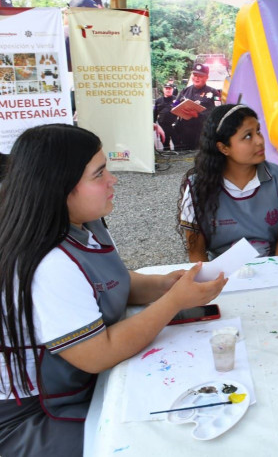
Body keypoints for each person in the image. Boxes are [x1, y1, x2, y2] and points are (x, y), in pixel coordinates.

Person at [0, 124, 227, 456]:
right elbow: (99, 354)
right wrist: (173, 302)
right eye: (99, 174)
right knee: (158, 439)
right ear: (59, 187)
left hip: (74, 386)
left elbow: (111, 281)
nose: (113, 180)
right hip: (36, 412)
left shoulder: (83, 222)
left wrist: (163, 286)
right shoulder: (50, 262)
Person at [179, 104, 278, 261]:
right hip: (219, 275)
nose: (259, 141)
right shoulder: (197, 187)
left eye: (258, 131)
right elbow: (196, 252)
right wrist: (212, 283)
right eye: (247, 136)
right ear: (224, 148)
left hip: (270, 268)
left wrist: (274, 276)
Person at [173, 63, 220, 151]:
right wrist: (177, 108)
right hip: (185, 133)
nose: (197, 78)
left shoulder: (214, 93)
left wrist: (198, 115)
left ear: (206, 77)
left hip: (203, 133)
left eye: (200, 76)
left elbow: (218, 112)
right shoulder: (184, 91)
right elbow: (175, 104)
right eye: (195, 75)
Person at [153, 80, 178, 150]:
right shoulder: (158, 101)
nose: (168, 90)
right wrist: (154, 123)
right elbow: (155, 113)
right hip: (163, 126)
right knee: (165, 145)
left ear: (172, 90)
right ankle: (167, 159)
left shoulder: (176, 100)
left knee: (177, 144)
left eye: (169, 89)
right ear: (163, 89)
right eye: (166, 88)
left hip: (174, 126)